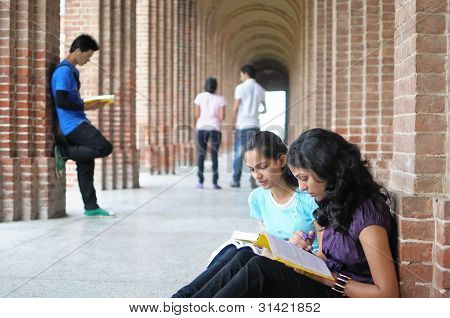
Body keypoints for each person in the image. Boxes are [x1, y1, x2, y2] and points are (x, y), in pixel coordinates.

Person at [191, 128, 399, 298]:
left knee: (260, 270)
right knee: (245, 256)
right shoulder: (333, 203)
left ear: (329, 170)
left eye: (305, 178)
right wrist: (301, 255)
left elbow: (388, 294)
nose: (302, 187)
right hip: (326, 284)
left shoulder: (367, 219)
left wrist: (328, 278)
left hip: (343, 296)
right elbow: (328, 257)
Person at [172, 131, 318, 297]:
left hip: (300, 268)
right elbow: (269, 239)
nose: (257, 175)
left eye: (262, 167)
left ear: (282, 160)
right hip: (273, 259)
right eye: (252, 170)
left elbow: (326, 251)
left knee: (247, 259)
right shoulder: (257, 198)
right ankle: (181, 299)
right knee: (239, 252)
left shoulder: (308, 197)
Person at [51, 34, 114, 217]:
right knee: (104, 147)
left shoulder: (72, 71)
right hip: (72, 125)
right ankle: (64, 152)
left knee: (86, 165)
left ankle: (91, 206)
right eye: (87, 56)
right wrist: (87, 105)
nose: (87, 61)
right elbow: (61, 101)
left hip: (78, 120)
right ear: (77, 51)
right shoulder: (63, 71)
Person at [230, 64, 266, 188]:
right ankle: (253, 180)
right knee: (254, 154)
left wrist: (233, 122)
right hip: (255, 125)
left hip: (243, 125)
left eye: (241, 74)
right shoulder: (261, 89)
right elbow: (264, 108)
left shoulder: (240, 88)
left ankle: (235, 180)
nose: (241, 77)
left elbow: (235, 107)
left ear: (245, 73)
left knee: (239, 153)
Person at [194, 77, 226, 189]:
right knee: (214, 155)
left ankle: (200, 182)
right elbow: (222, 116)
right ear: (216, 86)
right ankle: (214, 183)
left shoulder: (199, 97)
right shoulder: (221, 99)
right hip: (215, 128)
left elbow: (197, 114)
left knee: (201, 154)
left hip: (201, 127)